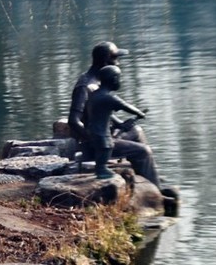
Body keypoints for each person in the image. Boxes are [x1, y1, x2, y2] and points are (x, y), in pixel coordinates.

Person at [67, 41, 161, 186]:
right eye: (115, 59)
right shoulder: (85, 86)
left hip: (107, 134)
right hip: (96, 144)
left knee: (136, 130)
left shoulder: (99, 82)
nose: (118, 63)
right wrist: (94, 139)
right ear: (105, 61)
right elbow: (73, 121)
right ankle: (155, 191)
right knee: (143, 151)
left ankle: (150, 178)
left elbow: (101, 112)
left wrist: (120, 124)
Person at [85, 65, 148, 179]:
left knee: (105, 147)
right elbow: (126, 106)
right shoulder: (108, 97)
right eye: (119, 78)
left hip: (94, 130)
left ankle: (101, 168)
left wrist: (120, 124)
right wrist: (139, 113)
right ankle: (101, 169)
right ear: (114, 79)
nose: (120, 81)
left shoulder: (95, 95)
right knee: (106, 147)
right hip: (101, 131)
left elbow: (106, 114)